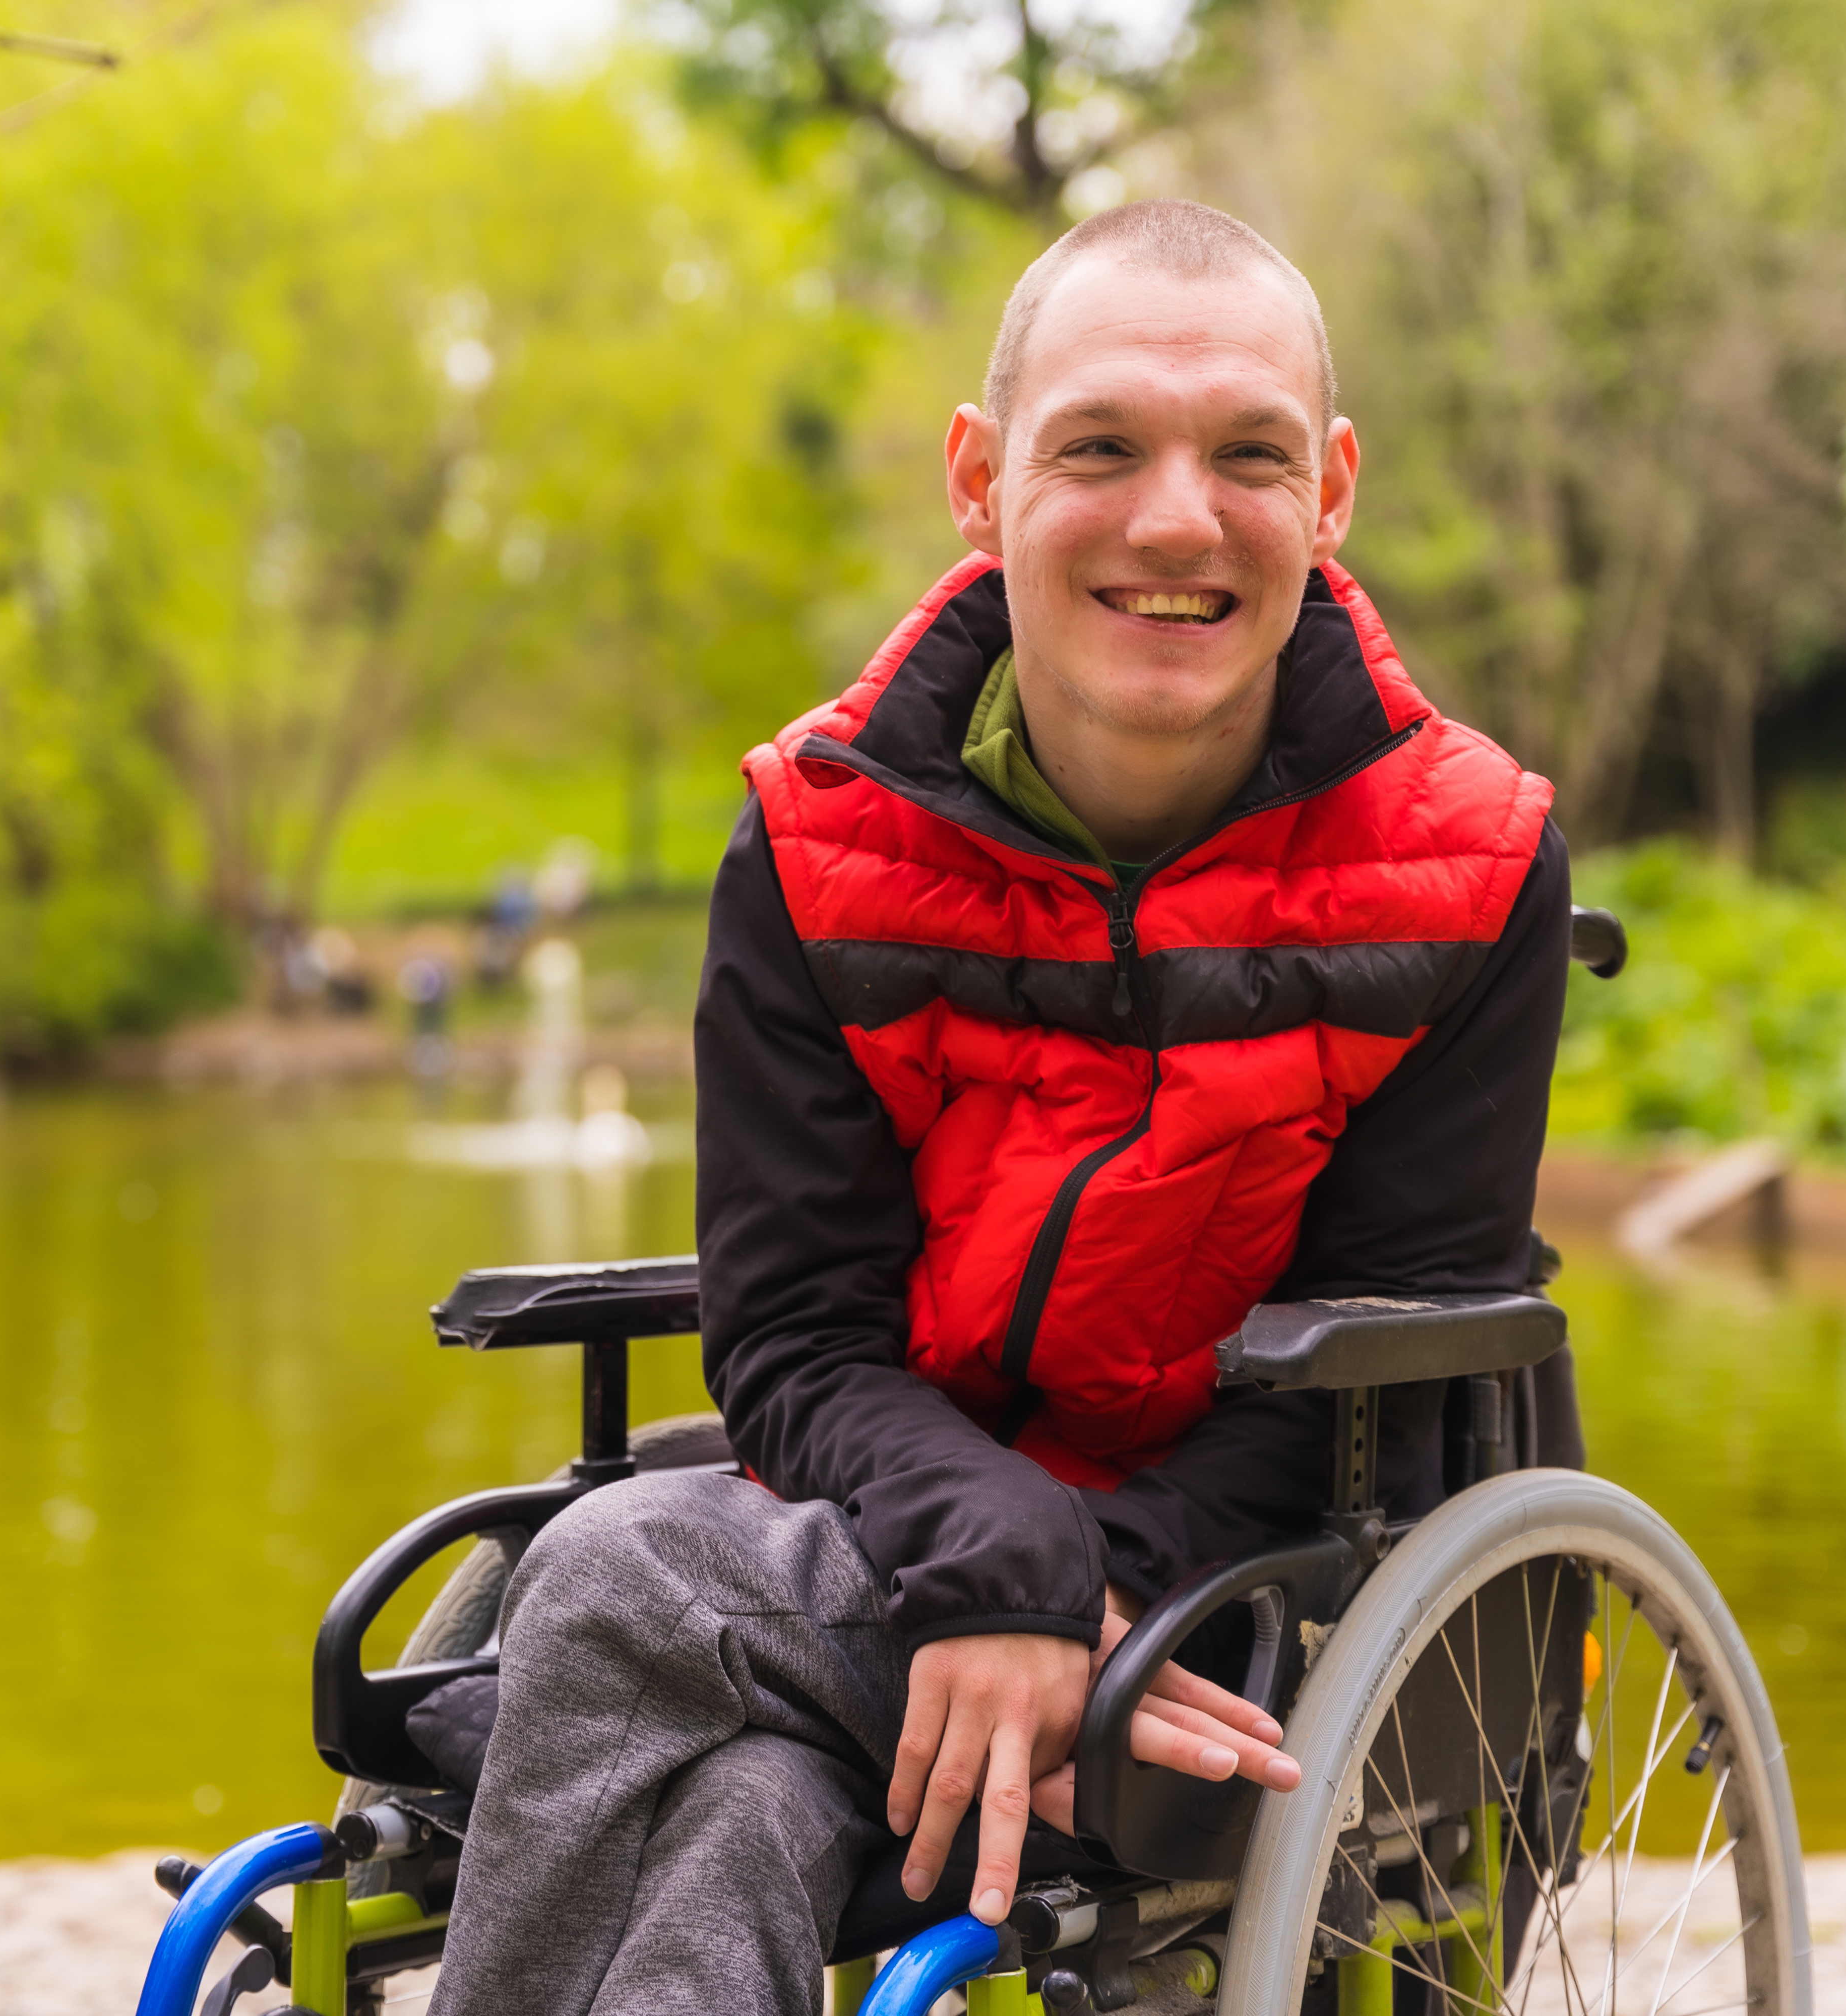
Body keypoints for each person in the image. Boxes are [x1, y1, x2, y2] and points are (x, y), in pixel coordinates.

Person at [424, 200, 1574, 2016]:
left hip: (1285, 1596)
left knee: (623, 1580)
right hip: (913, 1549)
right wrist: (1003, 1579)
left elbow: (1396, 1370)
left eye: (1249, 457)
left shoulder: (1470, 865)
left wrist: (1076, 1618)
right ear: (980, 478)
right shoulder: (818, 840)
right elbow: (796, 1334)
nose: (1178, 519)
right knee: (687, 1764)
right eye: (1100, 447)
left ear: (1333, 488)